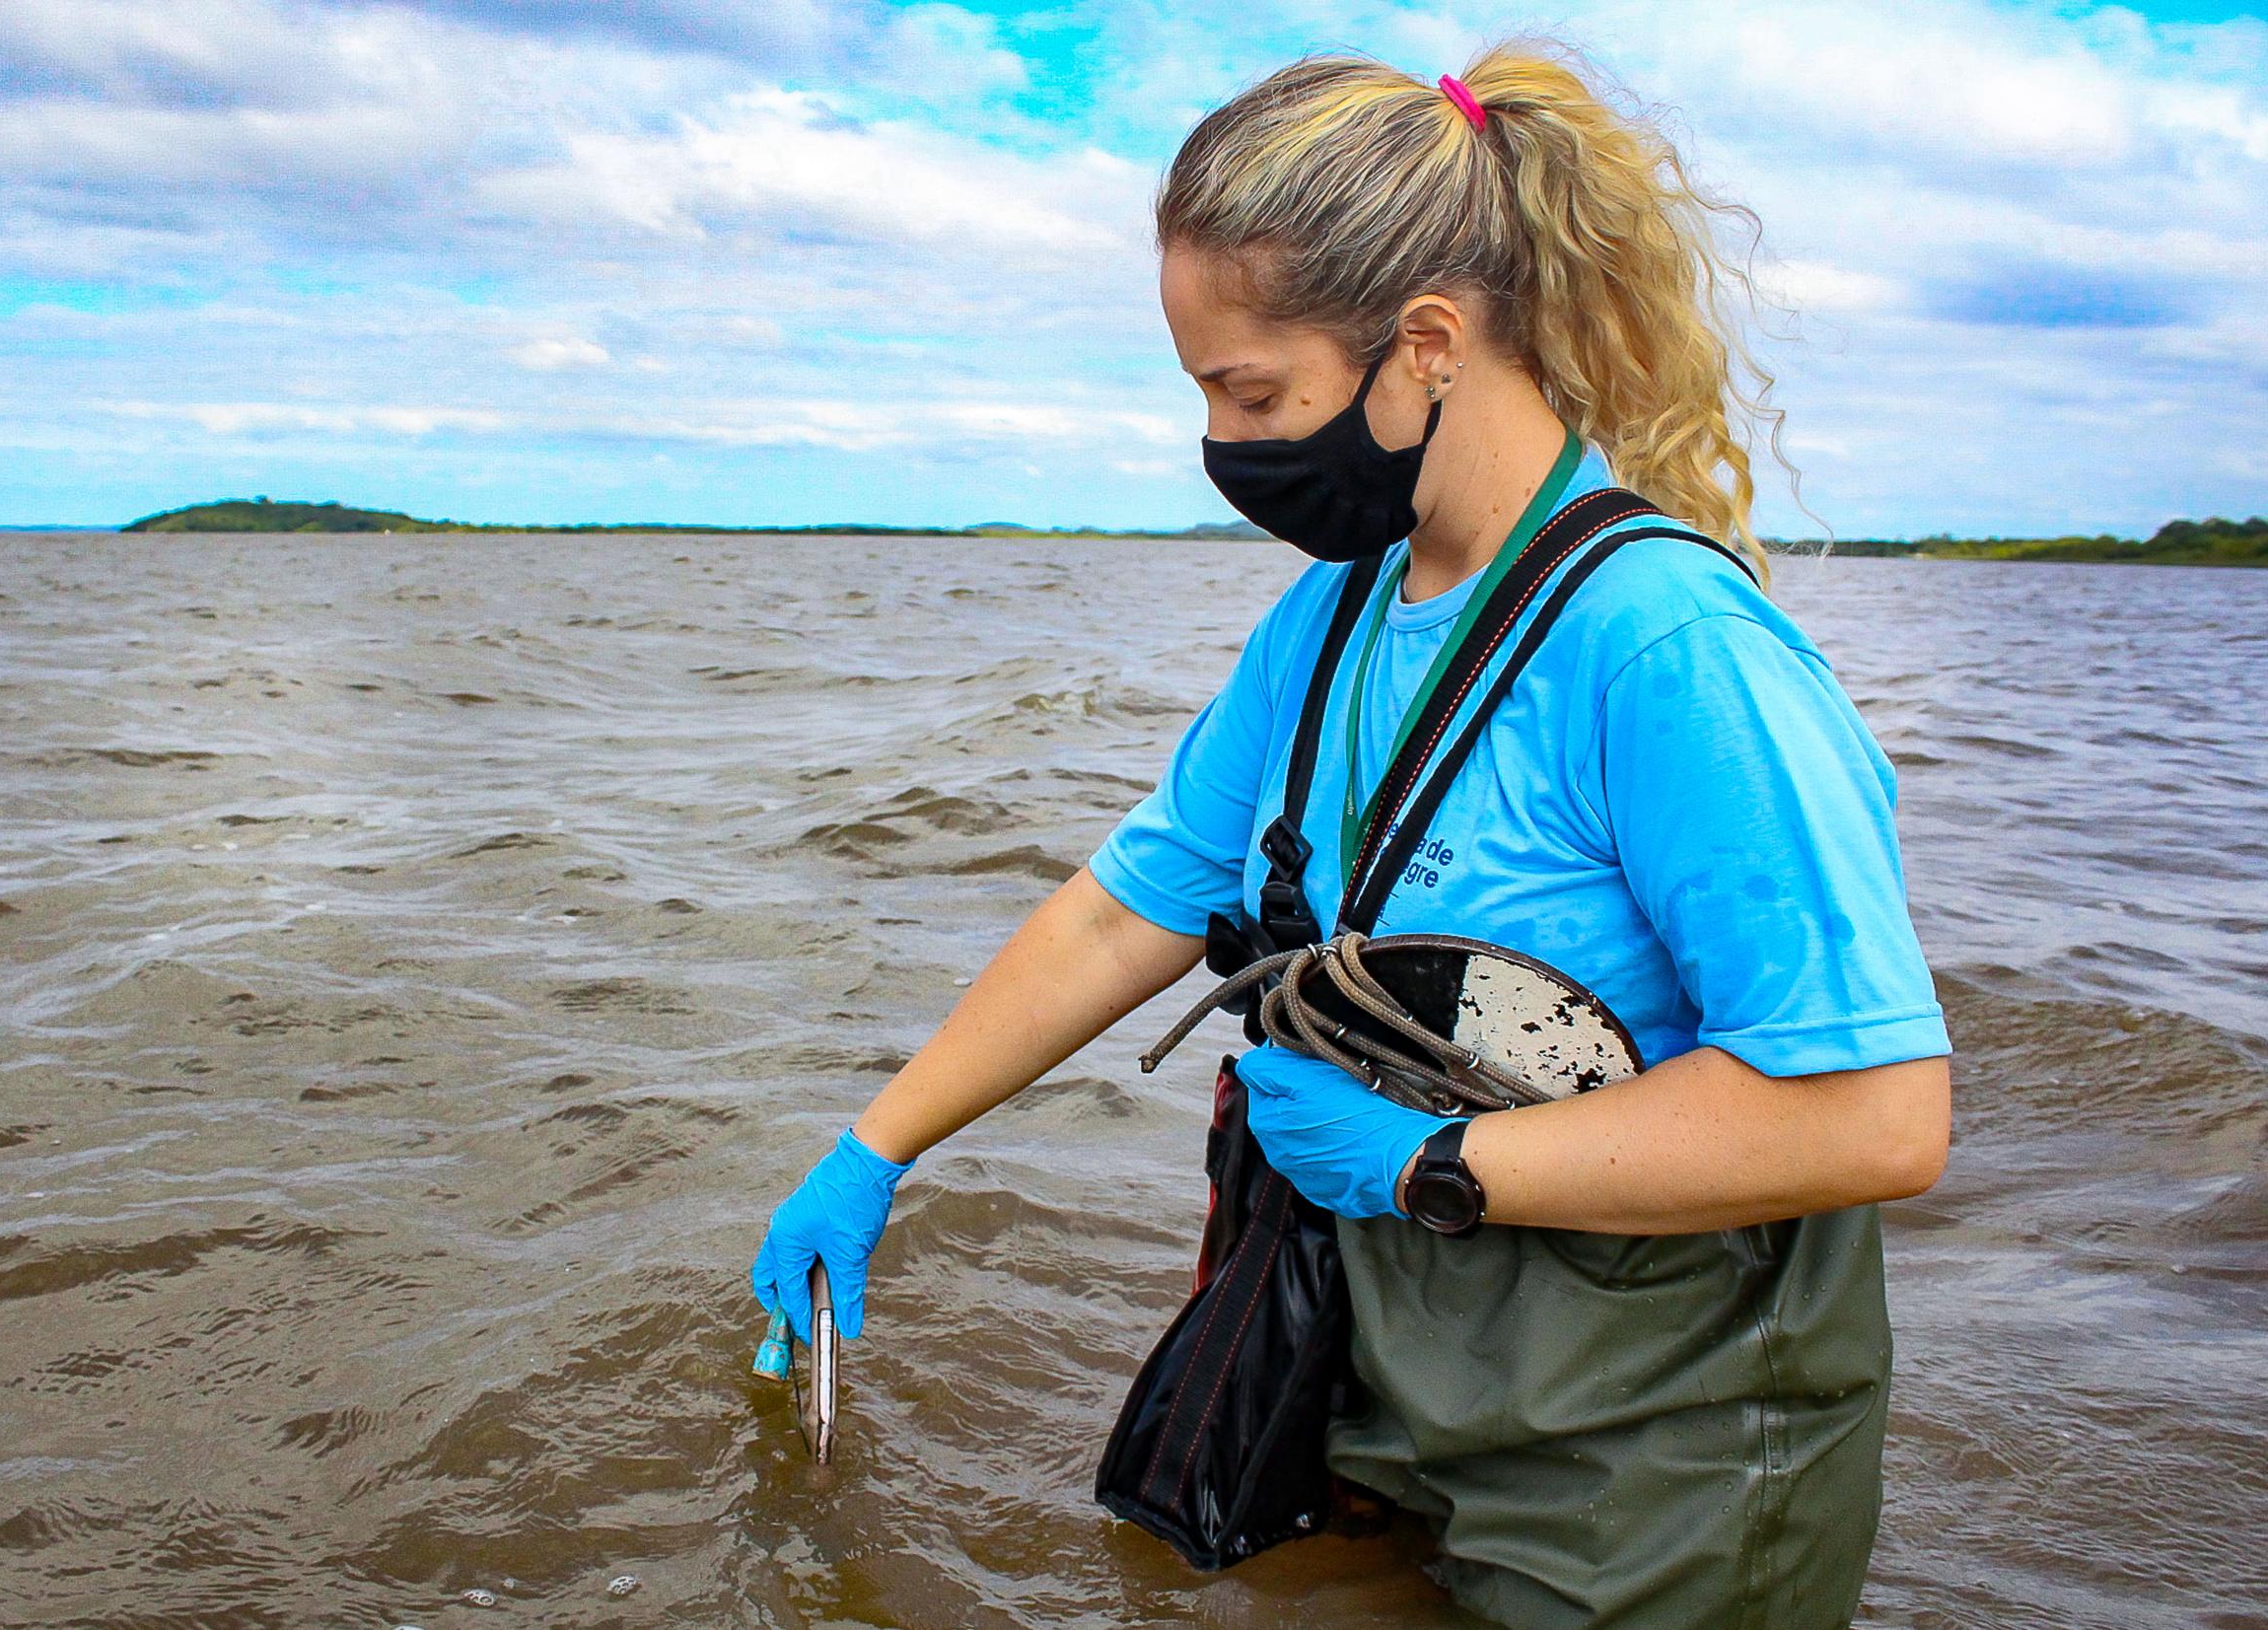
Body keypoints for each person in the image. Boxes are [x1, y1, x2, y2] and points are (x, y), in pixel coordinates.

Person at [752, 40, 1951, 1630]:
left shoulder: (1667, 648)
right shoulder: (1325, 624)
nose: (1227, 444)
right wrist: (875, 1143)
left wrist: (1430, 1162)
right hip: (1380, 1376)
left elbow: (1874, 1116)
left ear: (1427, 345)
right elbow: (1127, 913)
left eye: (1253, 392)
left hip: (1659, 1452)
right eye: (1203, 393)